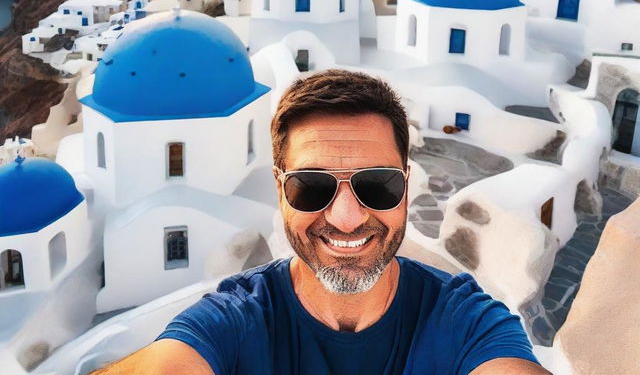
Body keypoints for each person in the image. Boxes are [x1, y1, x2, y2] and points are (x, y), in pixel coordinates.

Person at [93, 70, 551, 375]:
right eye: (312, 186)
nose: (347, 218)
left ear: (406, 187)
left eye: (378, 184)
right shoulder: (236, 322)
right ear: (279, 189)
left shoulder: (465, 322)